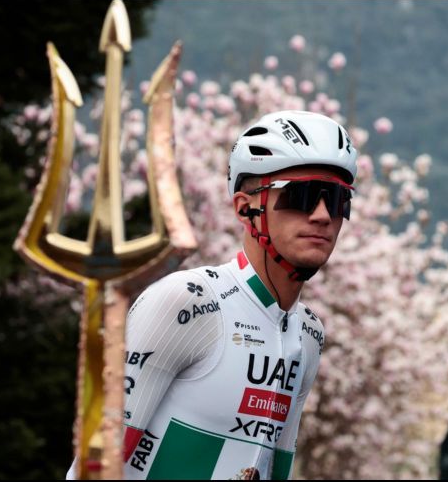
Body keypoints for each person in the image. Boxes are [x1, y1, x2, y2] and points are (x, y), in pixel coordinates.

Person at [69, 110, 357, 480]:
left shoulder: (309, 334)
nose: (322, 215)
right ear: (245, 209)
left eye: (337, 199)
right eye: (301, 195)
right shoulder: (187, 303)